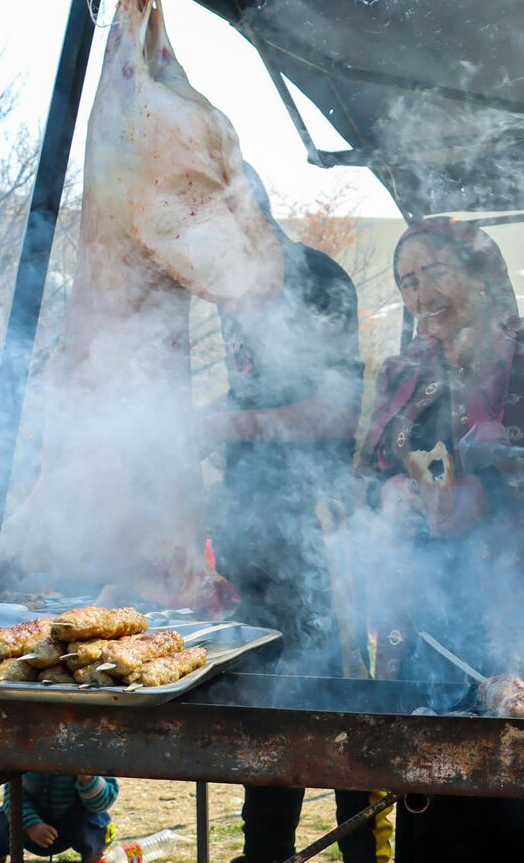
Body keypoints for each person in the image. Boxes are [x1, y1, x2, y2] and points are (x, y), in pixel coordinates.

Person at [359, 218, 524, 862]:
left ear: (481, 274)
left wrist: (491, 494)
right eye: (407, 280)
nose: (419, 293)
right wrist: (388, 496)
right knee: (441, 817)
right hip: (436, 623)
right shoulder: (404, 375)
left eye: (434, 271)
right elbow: (368, 474)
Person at [202, 165, 376, 863]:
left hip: (319, 529)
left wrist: (219, 429)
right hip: (250, 530)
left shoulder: (317, 279)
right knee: (264, 699)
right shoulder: (229, 292)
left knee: (335, 695)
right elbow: (249, 398)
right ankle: (264, 853)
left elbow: (336, 411)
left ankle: (363, 851)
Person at [0, 773, 116, 863]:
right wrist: (31, 824)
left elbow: (102, 804)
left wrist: (88, 779)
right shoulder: (27, 742)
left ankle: (94, 858)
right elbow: (11, 794)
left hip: (73, 823)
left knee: (98, 824)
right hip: (27, 822)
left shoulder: (93, 745)